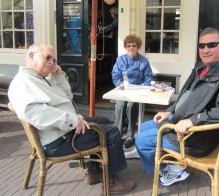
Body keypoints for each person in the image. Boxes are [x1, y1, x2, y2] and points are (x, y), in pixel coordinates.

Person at [8, 44, 135, 194]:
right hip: (57, 141)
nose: (51, 62)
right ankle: (113, 182)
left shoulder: (39, 79)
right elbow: (36, 114)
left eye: (54, 60)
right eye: (47, 57)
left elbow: (67, 98)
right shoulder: (24, 82)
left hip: (60, 130)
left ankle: (93, 170)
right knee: (112, 132)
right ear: (31, 56)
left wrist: (59, 76)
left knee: (102, 121)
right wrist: (73, 120)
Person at [135, 27, 219, 187]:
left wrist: (193, 120)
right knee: (145, 127)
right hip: (179, 120)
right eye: (202, 46)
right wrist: (169, 111)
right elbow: (185, 96)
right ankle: (173, 164)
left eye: (211, 45)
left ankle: (172, 169)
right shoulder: (200, 68)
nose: (205, 50)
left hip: (194, 137)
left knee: (143, 140)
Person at [111, 34, 153, 149]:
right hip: (123, 91)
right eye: (128, 45)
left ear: (138, 47)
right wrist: (120, 87)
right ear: (125, 47)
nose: (131, 48)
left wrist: (138, 90)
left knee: (131, 106)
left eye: (133, 46)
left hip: (137, 92)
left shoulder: (144, 61)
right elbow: (115, 75)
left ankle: (130, 135)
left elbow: (148, 78)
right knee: (120, 106)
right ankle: (118, 134)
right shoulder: (120, 60)